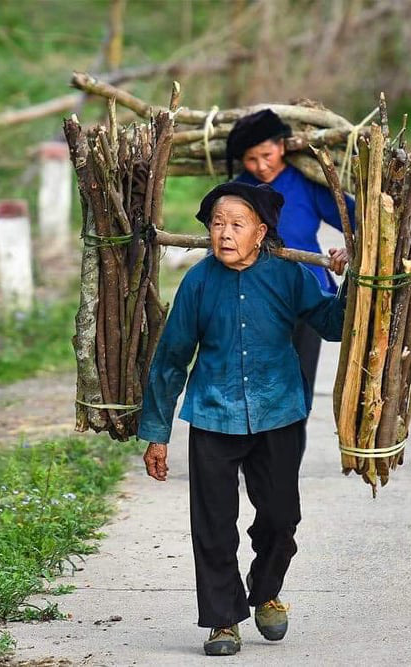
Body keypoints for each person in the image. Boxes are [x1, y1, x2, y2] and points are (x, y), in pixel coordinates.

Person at [138, 182, 348, 657]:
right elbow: (172, 358)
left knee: (280, 517)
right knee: (213, 524)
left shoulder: (289, 276)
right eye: (216, 223)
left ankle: (265, 588)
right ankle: (223, 621)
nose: (224, 233)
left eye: (236, 224)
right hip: (213, 412)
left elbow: (332, 326)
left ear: (261, 232)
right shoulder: (198, 282)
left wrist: (346, 278)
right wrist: (157, 434)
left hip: (278, 413)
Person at [225, 109, 355, 397]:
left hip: (310, 298)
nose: (260, 166)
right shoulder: (235, 192)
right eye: (250, 159)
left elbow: (359, 221)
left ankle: (292, 442)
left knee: (299, 385)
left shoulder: (308, 183)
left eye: (266, 155)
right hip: (254, 301)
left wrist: (350, 250)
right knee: (257, 388)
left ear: (282, 146)